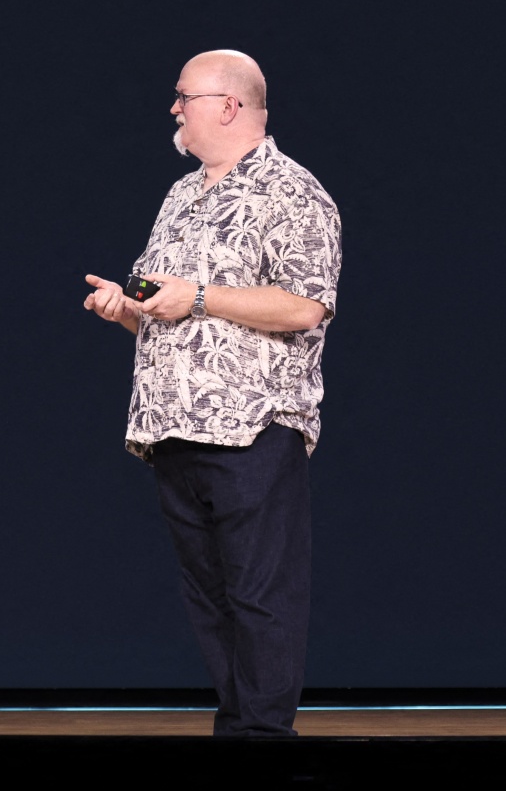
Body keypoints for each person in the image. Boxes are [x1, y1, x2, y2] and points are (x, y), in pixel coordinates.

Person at [82, 50, 341, 737]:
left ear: (228, 106)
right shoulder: (182, 193)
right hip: (173, 424)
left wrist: (195, 295)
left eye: (182, 95)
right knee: (210, 596)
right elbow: (159, 297)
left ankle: (262, 740)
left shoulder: (292, 191)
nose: (173, 108)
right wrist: (125, 305)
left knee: (259, 595)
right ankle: (237, 729)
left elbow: (305, 306)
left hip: (251, 426)